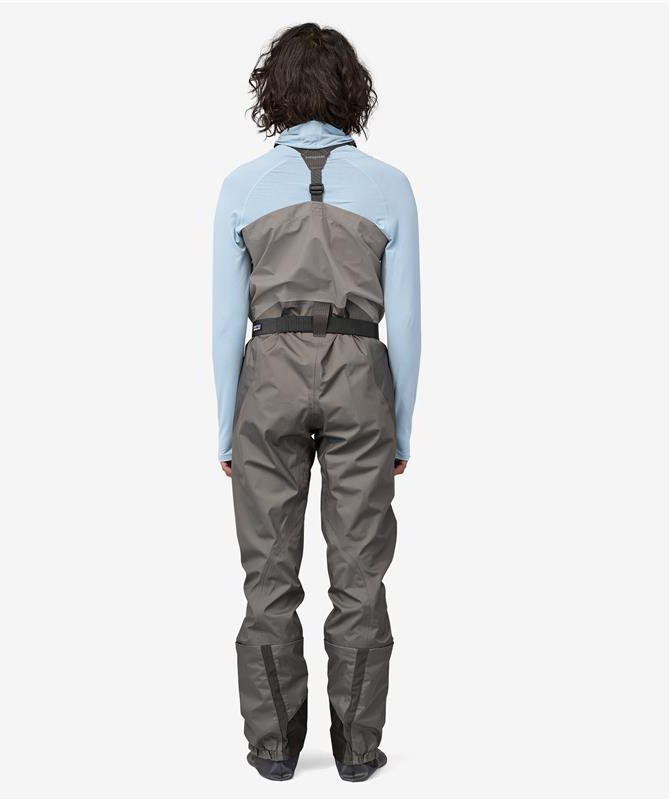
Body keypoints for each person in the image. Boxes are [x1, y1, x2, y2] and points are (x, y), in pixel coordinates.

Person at [212, 22, 421, 783]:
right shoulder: (391, 186)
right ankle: (357, 752)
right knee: (360, 574)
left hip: (268, 371)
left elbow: (225, 322)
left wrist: (226, 429)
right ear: (350, 93)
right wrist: (401, 428)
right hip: (362, 371)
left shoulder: (242, 187)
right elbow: (407, 321)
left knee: (268, 573)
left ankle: (273, 750)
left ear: (273, 94)